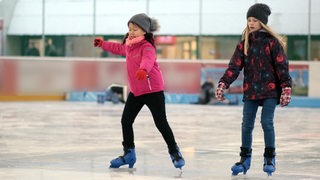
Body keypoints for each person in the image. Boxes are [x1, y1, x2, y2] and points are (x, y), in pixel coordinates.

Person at [93, 13, 185, 169]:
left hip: (152, 90)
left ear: (144, 31)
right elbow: (118, 48)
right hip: (136, 91)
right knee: (126, 120)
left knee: (161, 122)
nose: (131, 32)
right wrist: (103, 44)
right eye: (130, 29)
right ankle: (129, 153)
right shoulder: (129, 45)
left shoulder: (147, 46)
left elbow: (148, 59)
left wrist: (143, 69)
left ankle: (174, 152)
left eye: (135, 29)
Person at [215, 3, 292, 176]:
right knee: (246, 125)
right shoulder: (245, 44)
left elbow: (282, 67)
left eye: (255, 20)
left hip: (270, 91)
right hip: (251, 91)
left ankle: (270, 158)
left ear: (262, 22)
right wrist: (223, 83)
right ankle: (244, 159)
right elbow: (234, 67)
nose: (251, 23)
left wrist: (286, 87)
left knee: (267, 122)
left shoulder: (272, 43)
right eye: (249, 20)